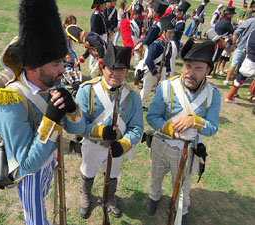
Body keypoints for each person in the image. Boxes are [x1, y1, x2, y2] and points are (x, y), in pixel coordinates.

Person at [0, 0, 85, 224]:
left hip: (50, 160)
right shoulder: (11, 101)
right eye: (56, 63)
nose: (63, 68)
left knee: (44, 194)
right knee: (36, 219)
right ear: (32, 66)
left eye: (62, 61)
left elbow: (79, 130)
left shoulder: (53, 83)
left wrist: (72, 109)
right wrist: (51, 120)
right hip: (29, 174)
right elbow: (27, 164)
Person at [146, 39, 221, 225]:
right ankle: (154, 197)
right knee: (156, 175)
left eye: (197, 68)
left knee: (182, 187)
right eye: (187, 66)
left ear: (207, 71)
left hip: (187, 151)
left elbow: (212, 128)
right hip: (161, 144)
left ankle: (182, 210)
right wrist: (172, 130)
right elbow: (152, 117)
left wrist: (195, 120)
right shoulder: (166, 87)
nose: (190, 72)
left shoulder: (213, 95)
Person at [75, 42, 144, 219]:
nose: (116, 73)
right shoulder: (87, 90)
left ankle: (110, 196)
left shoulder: (133, 98)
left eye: (121, 69)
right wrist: (99, 132)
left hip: (117, 147)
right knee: (88, 170)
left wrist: (124, 144)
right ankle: (85, 195)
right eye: (111, 68)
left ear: (126, 71)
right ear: (103, 68)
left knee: (113, 174)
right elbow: (79, 125)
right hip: (93, 143)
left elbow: (137, 127)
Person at [140, 14, 175, 110]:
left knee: (161, 90)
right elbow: (149, 60)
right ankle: (140, 104)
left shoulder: (169, 45)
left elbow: (168, 59)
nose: (172, 35)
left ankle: (155, 105)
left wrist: (167, 70)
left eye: (173, 33)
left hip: (162, 70)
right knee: (146, 89)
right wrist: (155, 73)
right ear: (164, 32)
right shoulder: (156, 44)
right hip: (153, 69)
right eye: (170, 32)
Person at [225, 28, 255, 103]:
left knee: (239, 78)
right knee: (239, 79)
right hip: (250, 57)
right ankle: (230, 97)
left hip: (248, 55)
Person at [223, 17, 255, 85]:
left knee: (234, 64)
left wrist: (234, 44)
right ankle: (235, 83)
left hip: (241, 46)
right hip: (251, 51)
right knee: (241, 68)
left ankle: (227, 80)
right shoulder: (251, 21)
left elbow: (236, 32)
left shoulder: (250, 21)